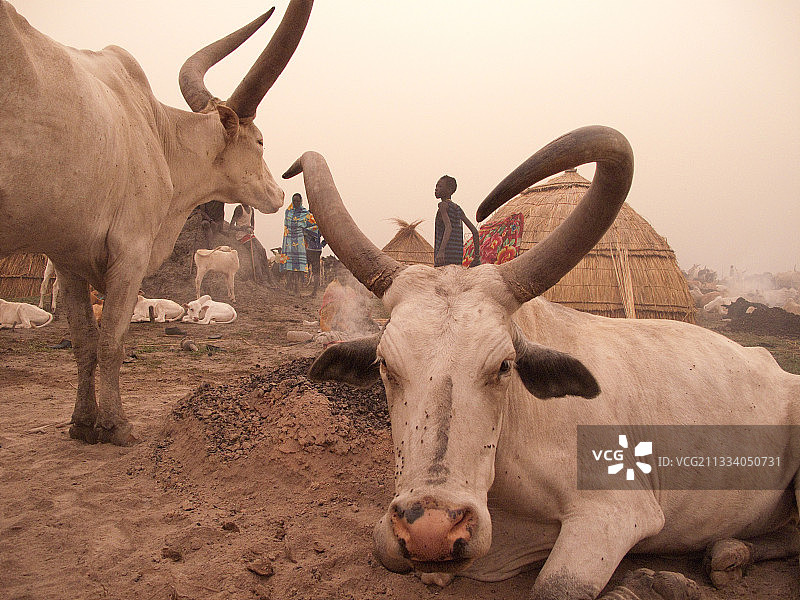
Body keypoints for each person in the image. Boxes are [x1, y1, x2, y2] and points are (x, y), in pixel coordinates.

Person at [433, 175, 480, 267]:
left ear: (449, 190)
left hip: (444, 258)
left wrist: (441, 251)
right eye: (436, 186)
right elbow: (475, 231)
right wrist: (477, 257)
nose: (436, 189)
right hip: (457, 258)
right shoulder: (457, 208)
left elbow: (448, 227)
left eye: (440, 186)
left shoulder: (443, 206)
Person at [280, 193, 319, 295]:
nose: (296, 203)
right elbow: (286, 226)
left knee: (298, 267)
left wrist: (305, 231)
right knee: (290, 267)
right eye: (294, 201)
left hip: (299, 241)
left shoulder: (305, 214)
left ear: (301, 201)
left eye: (298, 201)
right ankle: (291, 287)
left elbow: (315, 226)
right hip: (288, 241)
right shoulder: (288, 212)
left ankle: (297, 289)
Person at [304, 223, 326, 295]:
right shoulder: (319, 223)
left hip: (309, 249)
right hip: (316, 250)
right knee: (315, 271)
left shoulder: (306, 220)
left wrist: (322, 244)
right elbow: (327, 235)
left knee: (305, 268)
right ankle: (314, 291)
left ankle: (313, 291)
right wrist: (322, 244)